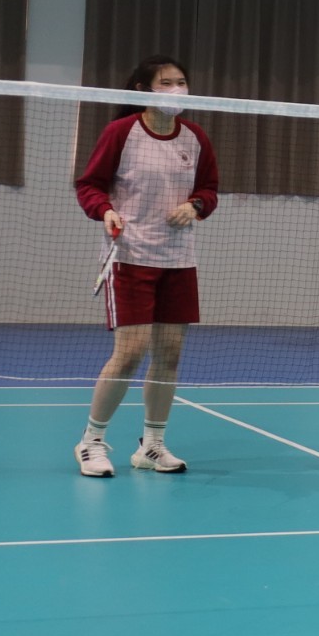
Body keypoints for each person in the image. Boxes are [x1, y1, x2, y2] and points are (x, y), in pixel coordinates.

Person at [73, 55, 219, 478]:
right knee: (130, 353)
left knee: (169, 355)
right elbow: (89, 184)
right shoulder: (122, 132)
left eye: (181, 82)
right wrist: (104, 210)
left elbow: (209, 189)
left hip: (178, 260)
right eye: (166, 82)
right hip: (130, 257)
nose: (176, 90)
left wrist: (196, 205)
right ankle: (91, 442)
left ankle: (152, 445)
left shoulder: (195, 137)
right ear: (142, 89)